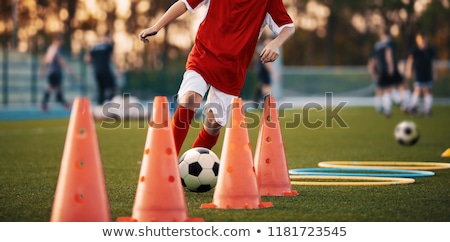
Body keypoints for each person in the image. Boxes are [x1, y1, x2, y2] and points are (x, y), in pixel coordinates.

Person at [139, 0, 294, 155]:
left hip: (233, 68)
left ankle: (193, 161)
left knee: (213, 124)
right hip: (204, 55)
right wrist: (156, 27)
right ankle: (167, 159)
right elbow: (185, 3)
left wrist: (276, 43)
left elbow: (288, 26)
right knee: (190, 98)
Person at [367, 28, 403, 118]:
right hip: (386, 69)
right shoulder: (390, 43)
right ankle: (396, 103)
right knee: (388, 88)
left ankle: (381, 107)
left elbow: (373, 60)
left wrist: (372, 71)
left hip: (380, 70)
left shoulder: (377, 45)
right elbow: (388, 54)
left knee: (383, 88)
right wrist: (390, 67)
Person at [404, 32, 437, 116]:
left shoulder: (430, 50)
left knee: (427, 90)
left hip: (427, 73)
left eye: (422, 38)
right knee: (417, 89)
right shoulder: (414, 50)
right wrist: (408, 71)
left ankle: (427, 109)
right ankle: (412, 107)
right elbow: (410, 61)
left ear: (425, 39)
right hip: (419, 73)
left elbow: (433, 63)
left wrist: (435, 73)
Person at [40, 34, 73, 112]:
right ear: (57, 40)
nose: (62, 42)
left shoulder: (50, 48)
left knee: (57, 88)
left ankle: (64, 103)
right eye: (61, 40)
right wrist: (68, 68)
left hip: (52, 71)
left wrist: (43, 70)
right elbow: (60, 60)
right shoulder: (56, 49)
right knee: (51, 88)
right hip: (55, 72)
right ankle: (45, 105)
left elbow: (45, 60)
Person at [86, 32, 119, 105]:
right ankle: (110, 101)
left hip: (97, 71)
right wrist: (117, 68)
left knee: (101, 89)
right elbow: (113, 57)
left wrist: (95, 63)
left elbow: (87, 59)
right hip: (105, 70)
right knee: (113, 87)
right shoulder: (108, 46)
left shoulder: (94, 47)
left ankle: (100, 104)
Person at [253, 35, 281, 107]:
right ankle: (266, 107)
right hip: (263, 70)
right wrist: (274, 73)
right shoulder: (266, 47)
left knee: (261, 86)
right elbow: (266, 63)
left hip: (259, 69)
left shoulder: (262, 46)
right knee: (267, 87)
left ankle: (255, 104)